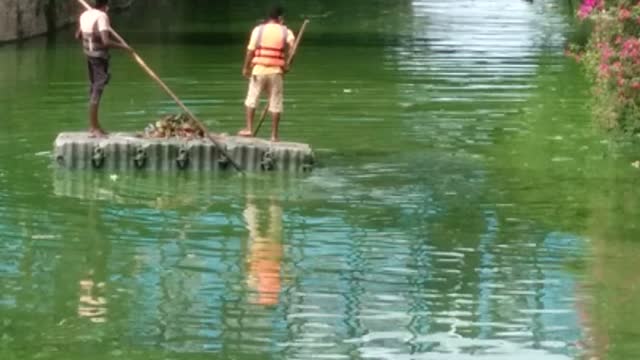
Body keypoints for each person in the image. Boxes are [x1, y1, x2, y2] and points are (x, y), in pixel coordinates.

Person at [238, 5, 295, 142]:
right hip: (276, 71)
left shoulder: (258, 30)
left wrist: (245, 68)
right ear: (280, 18)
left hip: (259, 70)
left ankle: (249, 129)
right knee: (276, 103)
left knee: (251, 99)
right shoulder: (286, 32)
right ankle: (274, 136)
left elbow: (250, 50)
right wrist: (287, 64)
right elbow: (292, 50)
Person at [75, 0, 131, 137]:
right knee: (97, 88)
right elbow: (105, 42)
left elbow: (77, 36)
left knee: (94, 87)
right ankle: (94, 128)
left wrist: (90, 35)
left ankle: (94, 126)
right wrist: (124, 47)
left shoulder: (85, 15)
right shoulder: (102, 17)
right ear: (105, 6)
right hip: (98, 57)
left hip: (89, 55)